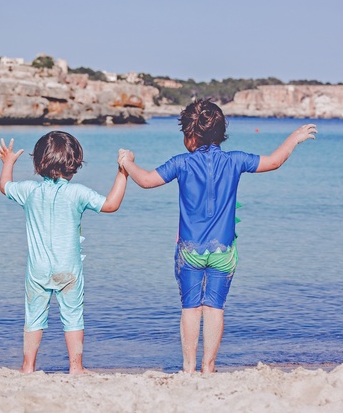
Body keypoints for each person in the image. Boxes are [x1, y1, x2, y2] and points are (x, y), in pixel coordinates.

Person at [118, 99, 317, 374]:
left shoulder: (182, 163)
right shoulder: (234, 160)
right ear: (220, 132)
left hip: (190, 250)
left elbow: (147, 180)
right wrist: (294, 138)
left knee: (190, 309)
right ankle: (208, 367)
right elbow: (273, 162)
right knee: (214, 309)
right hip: (224, 251)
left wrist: (127, 163)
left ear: (191, 135)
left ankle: (188, 368)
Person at [0, 131, 128, 374]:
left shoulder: (29, 191)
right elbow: (111, 204)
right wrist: (123, 172)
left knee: (33, 317)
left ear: (38, 163)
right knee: (73, 316)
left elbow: (4, 186)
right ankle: (76, 367)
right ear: (75, 164)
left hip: (37, 269)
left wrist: (9, 162)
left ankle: (28, 366)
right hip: (69, 270)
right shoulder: (78, 193)